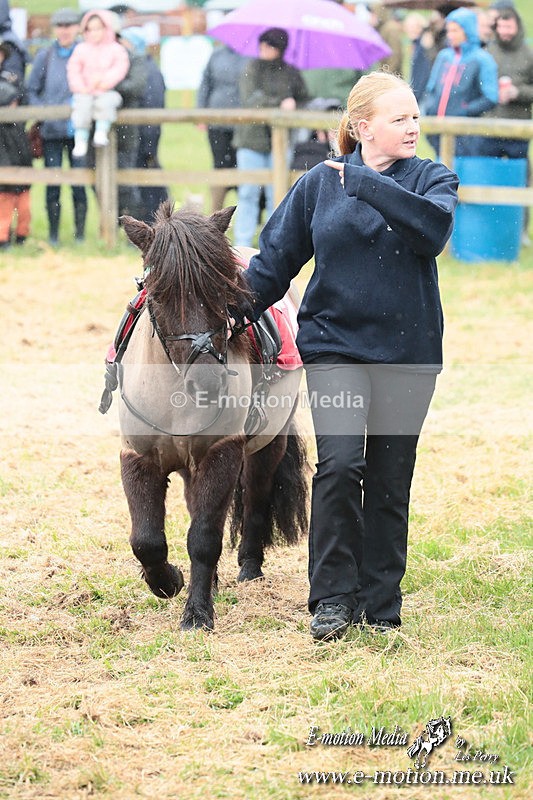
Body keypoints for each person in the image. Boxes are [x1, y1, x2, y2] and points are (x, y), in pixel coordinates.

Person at [233, 72, 458, 641]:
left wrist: (365, 182)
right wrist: (231, 314)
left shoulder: (432, 179)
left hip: (408, 354)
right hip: (335, 348)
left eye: (415, 116)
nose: (413, 127)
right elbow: (274, 262)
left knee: (389, 478)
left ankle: (380, 605)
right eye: (399, 118)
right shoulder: (318, 184)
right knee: (339, 465)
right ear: (362, 127)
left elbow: (431, 233)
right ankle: (332, 599)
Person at [232, 27, 308, 247]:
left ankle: (274, 242)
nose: (263, 50)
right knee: (248, 192)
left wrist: (294, 105)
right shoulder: (251, 68)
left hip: (281, 142)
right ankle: (242, 243)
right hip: (251, 140)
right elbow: (251, 99)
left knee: (278, 193)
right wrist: (280, 104)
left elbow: (303, 97)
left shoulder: (291, 72)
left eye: (269, 46)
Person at [26, 7, 87, 245]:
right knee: (53, 184)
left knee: (78, 183)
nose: (64, 30)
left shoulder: (84, 53)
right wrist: (45, 112)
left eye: (68, 25)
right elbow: (32, 89)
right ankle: (53, 235)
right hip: (51, 132)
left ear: (77, 28)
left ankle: (80, 235)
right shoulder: (45, 56)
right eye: (60, 26)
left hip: (78, 131)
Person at [483, 6, 533, 245]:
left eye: (508, 26)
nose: (504, 31)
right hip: (489, 127)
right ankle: (491, 227)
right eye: (501, 26)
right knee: (490, 175)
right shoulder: (488, 52)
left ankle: (520, 230)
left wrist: (517, 92)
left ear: (517, 27)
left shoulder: (528, 54)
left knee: (520, 176)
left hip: (518, 128)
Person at [423, 7, 498, 157]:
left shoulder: (482, 59)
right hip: (437, 131)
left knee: (460, 169)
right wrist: (430, 109)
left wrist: (464, 111)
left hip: (466, 135)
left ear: (468, 30)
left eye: (455, 31)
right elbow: (431, 89)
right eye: (449, 30)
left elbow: (491, 97)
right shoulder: (444, 56)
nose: (450, 35)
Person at [66, 9, 130, 158]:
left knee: (107, 103)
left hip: (106, 90)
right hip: (85, 91)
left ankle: (102, 131)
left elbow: (119, 68)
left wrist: (104, 81)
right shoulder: (81, 49)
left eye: (98, 28)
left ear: (106, 28)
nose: (94, 33)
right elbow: (73, 69)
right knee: (81, 107)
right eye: (90, 29)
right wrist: (80, 86)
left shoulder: (115, 49)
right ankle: (80, 139)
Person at [197, 42, 247, 213]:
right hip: (217, 121)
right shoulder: (216, 55)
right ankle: (216, 213)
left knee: (244, 168)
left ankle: (245, 213)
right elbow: (205, 83)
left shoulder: (252, 55)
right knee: (220, 165)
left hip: (245, 123)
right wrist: (201, 113)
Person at [0, 42, 31, 248]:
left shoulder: (11, 78)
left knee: (22, 188)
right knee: (4, 191)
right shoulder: (11, 81)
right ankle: (3, 235)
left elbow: (23, 98)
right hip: (4, 142)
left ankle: (21, 234)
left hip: (15, 138)